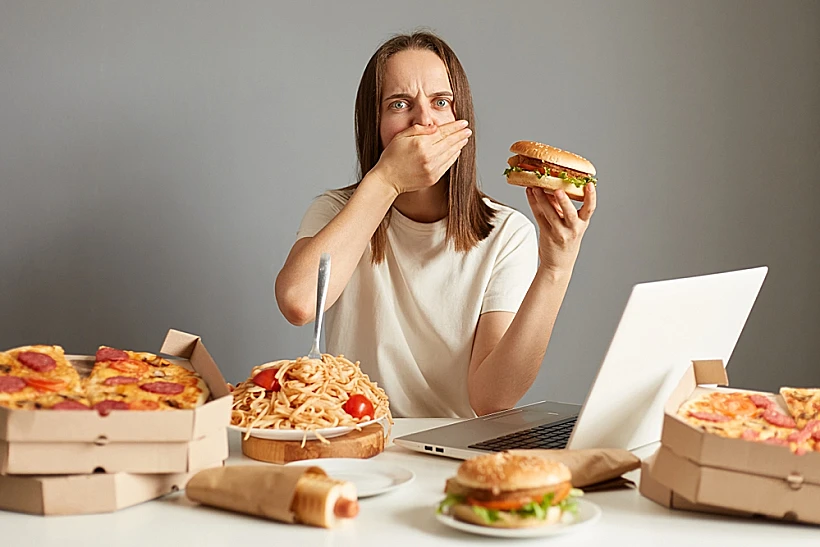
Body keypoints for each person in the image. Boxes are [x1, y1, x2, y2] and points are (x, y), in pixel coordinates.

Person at [275, 31, 597, 419]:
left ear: (461, 120)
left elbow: (491, 398)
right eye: (399, 104)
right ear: (373, 124)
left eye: (440, 102)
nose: (424, 121)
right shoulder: (337, 211)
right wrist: (387, 181)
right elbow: (297, 303)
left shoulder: (507, 234)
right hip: (358, 439)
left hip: (454, 454)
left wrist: (556, 268)